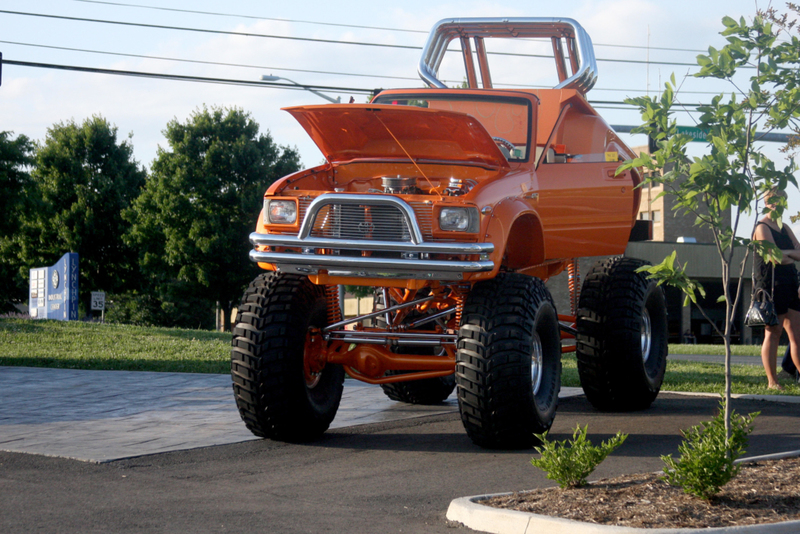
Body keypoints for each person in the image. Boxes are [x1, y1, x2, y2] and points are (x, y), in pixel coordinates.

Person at [752, 189, 800, 390]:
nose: (776, 205)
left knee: (797, 335)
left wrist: (786, 253)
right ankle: (772, 382)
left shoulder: (785, 228)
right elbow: (775, 257)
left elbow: (798, 252)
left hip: (790, 282)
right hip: (772, 285)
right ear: (766, 203)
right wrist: (787, 255)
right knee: (774, 332)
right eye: (772, 202)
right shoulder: (761, 227)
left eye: (780, 202)